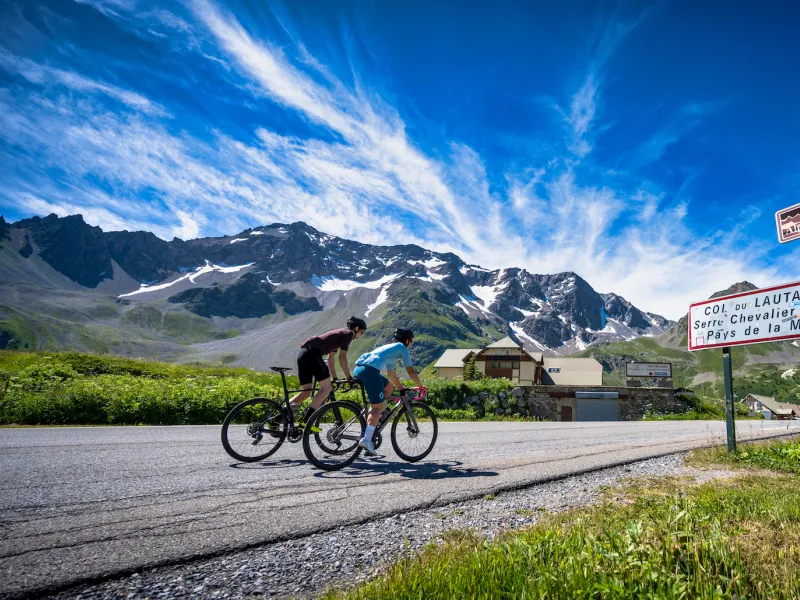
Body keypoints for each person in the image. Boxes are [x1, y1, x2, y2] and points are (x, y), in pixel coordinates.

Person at [353, 327, 427, 455]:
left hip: (360, 369)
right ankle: (367, 439)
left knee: (388, 388)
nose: (410, 344)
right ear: (407, 341)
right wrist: (420, 385)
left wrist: (401, 388)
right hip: (370, 371)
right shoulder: (402, 348)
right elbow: (410, 371)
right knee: (377, 407)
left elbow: (391, 374)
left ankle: (375, 417)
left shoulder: (391, 350)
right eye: (411, 341)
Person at [290, 316, 366, 426]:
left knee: (306, 392)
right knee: (326, 388)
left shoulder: (339, 335)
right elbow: (342, 357)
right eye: (362, 331)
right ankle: (306, 423)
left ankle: (278, 417)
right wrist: (349, 377)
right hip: (313, 353)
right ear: (356, 328)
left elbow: (331, 358)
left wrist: (334, 378)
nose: (362, 334)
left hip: (303, 353)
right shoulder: (349, 334)